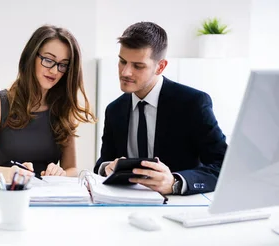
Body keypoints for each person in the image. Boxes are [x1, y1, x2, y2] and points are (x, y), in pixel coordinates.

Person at [94, 22, 227, 195]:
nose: (125, 72)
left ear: (161, 66)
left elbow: (223, 166)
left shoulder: (193, 103)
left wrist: (175, 182)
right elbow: (103, 162)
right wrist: (107, 167)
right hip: (125, 205)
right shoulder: (114, 109)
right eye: (122, 61)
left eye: (138, 66)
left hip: (179, 206)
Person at [0, 25, 95, 183]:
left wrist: (61, 174)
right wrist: (14, 174)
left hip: (48, 199)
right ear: (31, 57)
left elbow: (71, 169)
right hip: (8, 195)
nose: (54, 71)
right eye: (48, 60)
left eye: (63, 65)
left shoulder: (62, 109)